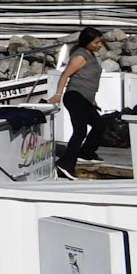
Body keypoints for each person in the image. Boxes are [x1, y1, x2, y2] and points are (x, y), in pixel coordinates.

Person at [53, 26, 107, 175]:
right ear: (87, 42)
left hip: (85, 99)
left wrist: (93, 100)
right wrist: (57, 95)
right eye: (96, 43)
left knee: (100, 125)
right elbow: (65, 75)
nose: (99, 45)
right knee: (80, 130)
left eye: (100, 42)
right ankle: (66, 164)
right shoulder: (80, 57)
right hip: (75, 97)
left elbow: (89, 79)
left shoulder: (90, 54)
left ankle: (86, 153)